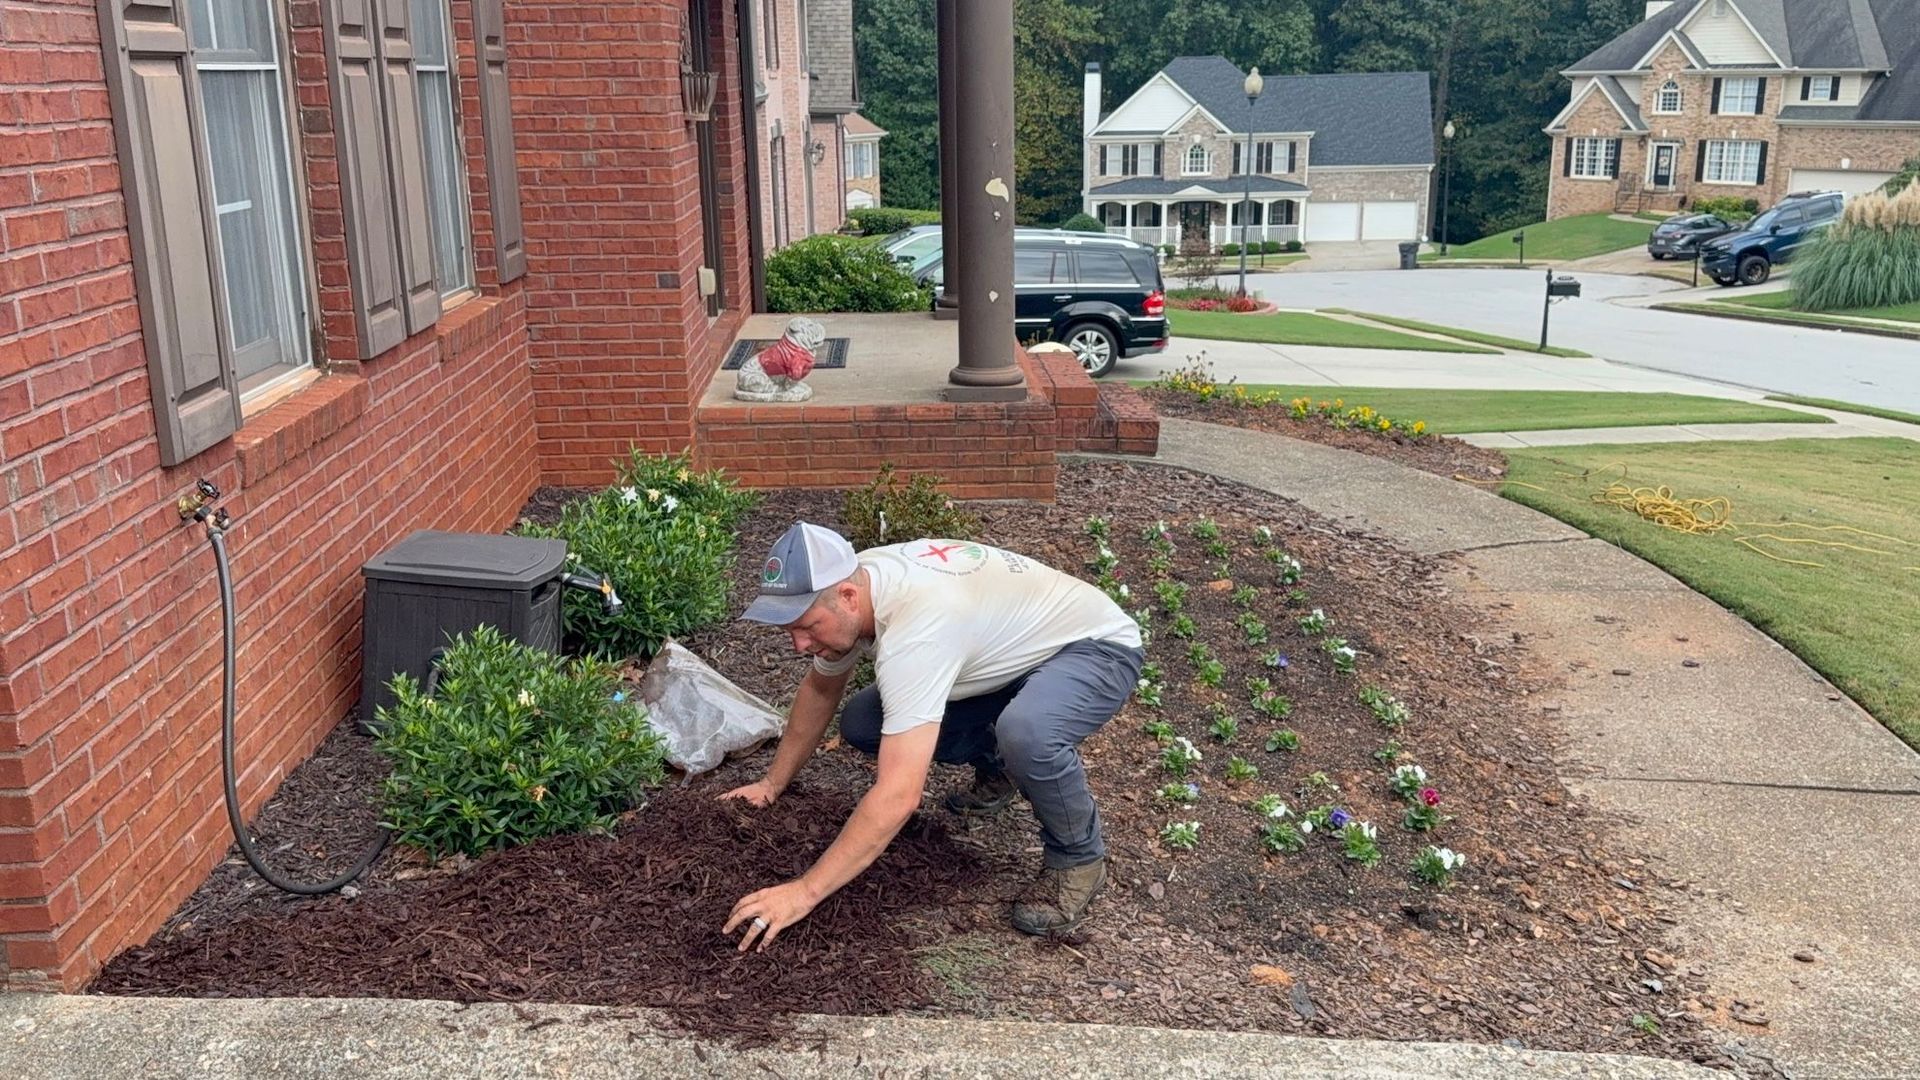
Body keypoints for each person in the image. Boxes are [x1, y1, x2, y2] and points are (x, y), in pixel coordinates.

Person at [719, 521, 1144, 952]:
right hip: (1007, 654)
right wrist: (772, 784)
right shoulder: (856, 584)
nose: (798, 644)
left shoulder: (916, 628)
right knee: (864, 723)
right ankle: (1000, 766)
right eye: (791, 630)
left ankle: (1078, 857)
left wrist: (804, 891)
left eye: (807, 627)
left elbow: (900, 795)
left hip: (1094, 647)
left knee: (1029, 734)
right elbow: (820, 688)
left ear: (847, 597)